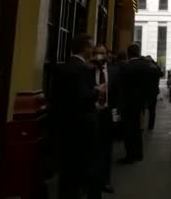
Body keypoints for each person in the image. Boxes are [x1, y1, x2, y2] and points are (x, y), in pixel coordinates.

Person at [51, 34, 103, 199]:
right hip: (82, 125)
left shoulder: (63, 66)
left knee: (67, 167)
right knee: (85, 164)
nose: (93, 50)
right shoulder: (81, 69)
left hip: (64, 124)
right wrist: (98, 91)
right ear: (85, 48)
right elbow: (82, 96)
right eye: (92, 47)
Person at [91, 45, 122, 194]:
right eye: (96, 53)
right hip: (91, 114)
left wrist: (116, 118)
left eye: (102, 53)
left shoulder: (115, 71)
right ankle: (89, 181)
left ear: (107, 55)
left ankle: (105, 180)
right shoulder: (88, 71)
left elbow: (118, 96)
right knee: (91, 149)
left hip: (107, 114)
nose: (99, 56)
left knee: (106, 150)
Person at [121, 44, 154, 163]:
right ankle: (139, 153)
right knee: (137, 128)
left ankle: (130, 155)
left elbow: (122, 86)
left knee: (128, 130)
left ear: (129, 53)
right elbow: (149, 85)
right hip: (140, 101)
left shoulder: (126, 67)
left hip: (128, 102)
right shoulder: (146, 66)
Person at [145, 56, 165, 131]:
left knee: (144, 109)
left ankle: (142, 125)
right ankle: (151, 125)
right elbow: (161, 74)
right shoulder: (155, 68)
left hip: (145, 91)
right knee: (152, 110)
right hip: (153, 91)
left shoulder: (144, 68)